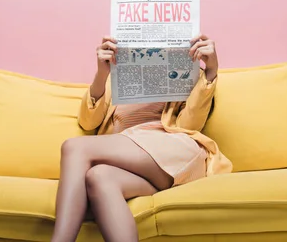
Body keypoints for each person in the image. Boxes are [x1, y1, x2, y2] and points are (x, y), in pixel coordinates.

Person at [51, 34, 232, 242]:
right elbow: (88, 122)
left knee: (74, 147)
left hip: (171, 149)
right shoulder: (114, 77)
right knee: (99, 177)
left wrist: (210, 73)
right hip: (137, 162)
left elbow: (188, 126)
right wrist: (101, 74)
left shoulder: (190, 75)